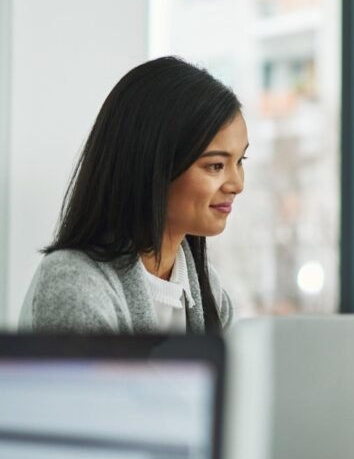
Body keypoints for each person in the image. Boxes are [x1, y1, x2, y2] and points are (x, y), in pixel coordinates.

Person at [20, 56, 247, 333]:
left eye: (240, 161)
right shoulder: (73, 282)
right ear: (154, 166)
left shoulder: (206, 286)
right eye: (216, 166)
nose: (237, 184)